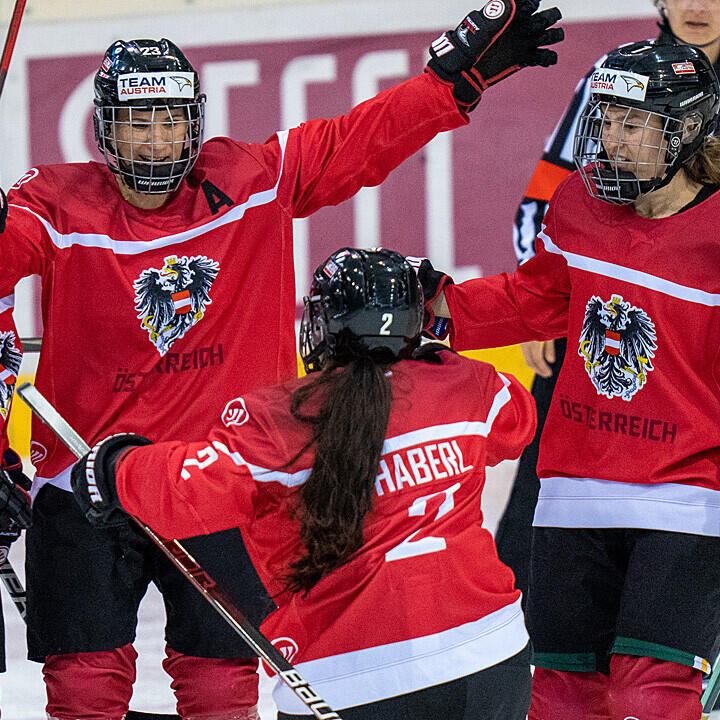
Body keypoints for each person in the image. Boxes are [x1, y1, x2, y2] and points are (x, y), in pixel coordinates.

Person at [0, 3, 564, 719]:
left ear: (195, 121)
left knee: (220, 689)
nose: (154, 140)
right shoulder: (49, 202)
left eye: (169, 120)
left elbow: (359, 141)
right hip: (82, 476)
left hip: (222, 480)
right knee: (81, 692)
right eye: (137, 123)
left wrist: (448, 84)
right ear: (104, 127)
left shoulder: (250, 178)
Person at [68, 247, 538, 720]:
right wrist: (435, 345)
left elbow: (188, 491)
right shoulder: (472, 387)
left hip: (354, 678)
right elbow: (518, 421)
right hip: (493, 659)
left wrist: (114, 468)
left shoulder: (281, 418)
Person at [420, 41, 720, 719]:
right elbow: (533, 299)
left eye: (632, 123)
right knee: (559, 697)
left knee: (650, 695)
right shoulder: (580, 205)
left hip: (688, 500)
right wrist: (430, 307)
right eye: (606, 118)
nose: (611, 137)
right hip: (573, 495)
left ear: (687, 127)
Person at [498, 0, 720, 611]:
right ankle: (530, 628)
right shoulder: (617, 77)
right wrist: (541, 290)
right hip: (606, 303)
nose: (698, 6)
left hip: (699, 335)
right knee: (547, 485)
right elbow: (546, 193)